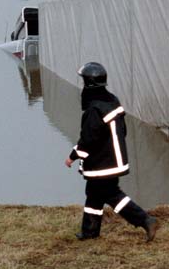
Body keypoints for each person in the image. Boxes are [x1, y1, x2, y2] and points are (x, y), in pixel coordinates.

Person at [65, 62, 158, 242]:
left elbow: (88, 140)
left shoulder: (93, 110)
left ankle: (145, 220)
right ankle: (89, 231)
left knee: (112, 195)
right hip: (115, 160)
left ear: (89, 84)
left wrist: (72, 156)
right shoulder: (113, 101)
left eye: (84, 81)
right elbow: (123, 131)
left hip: (104, 164)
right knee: (93, 194)